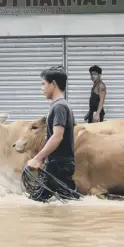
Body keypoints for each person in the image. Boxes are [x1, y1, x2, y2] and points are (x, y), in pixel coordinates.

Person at [26, 66, 79, 201]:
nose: (41, 88)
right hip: (58, 164)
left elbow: (57, 136)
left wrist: (37, 158)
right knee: (65, 202)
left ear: (53, 84)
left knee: (37, 203)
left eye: (43, 84)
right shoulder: (61, 105)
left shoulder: (59, 107)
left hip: (58, 165)